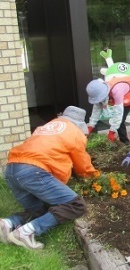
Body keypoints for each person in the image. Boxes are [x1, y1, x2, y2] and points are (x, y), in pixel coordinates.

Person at [0, 106, 100, 250]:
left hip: (11, 169)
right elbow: (83, 167)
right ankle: (27, 232)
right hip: (33, 171)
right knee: (76, 205)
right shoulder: (75, 133)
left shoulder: (46, 127)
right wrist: (95, 177)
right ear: (80, 124)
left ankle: (8, 224)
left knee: (40, 210)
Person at [86, 76, 130, 144]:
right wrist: (90, 127)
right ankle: (125, 143)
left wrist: (112, 132)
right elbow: (96, 111)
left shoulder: (117, 90)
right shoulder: (99, 91)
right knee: (120, 122)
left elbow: (118, 113)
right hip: (126, 99)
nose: (100, 101)